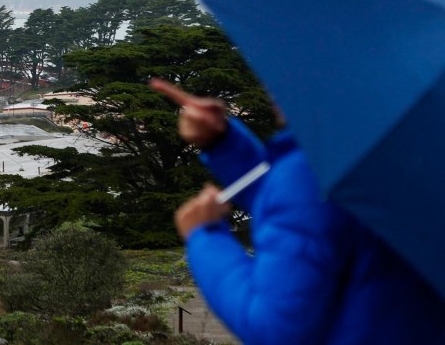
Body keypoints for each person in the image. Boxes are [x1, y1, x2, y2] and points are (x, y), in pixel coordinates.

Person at [151, 79, 445, 345]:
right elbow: (312, 219)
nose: (269, 84)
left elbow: (275, 330)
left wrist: (205, 237)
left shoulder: (315, 166)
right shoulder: (412, 147)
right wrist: (223, 144)